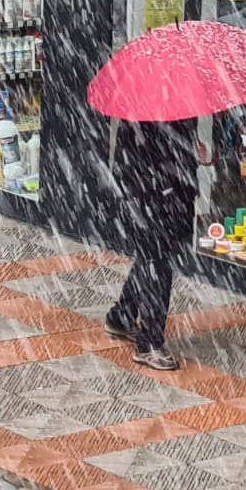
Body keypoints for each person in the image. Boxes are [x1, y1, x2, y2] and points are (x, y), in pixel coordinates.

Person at [103, 119, 196, 371]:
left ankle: (120, 317)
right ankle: (149, 345)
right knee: (157, 268)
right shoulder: (145, 113)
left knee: (150, 261)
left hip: (162, 201)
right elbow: (138, 161)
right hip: (151, 202)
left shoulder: (169, 109)